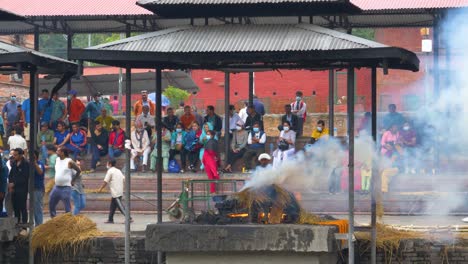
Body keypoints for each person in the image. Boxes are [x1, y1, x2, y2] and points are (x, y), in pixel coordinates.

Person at [49, 147, 81, 218]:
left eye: (58, 151)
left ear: (62, 153)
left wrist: (73, 180)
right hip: (57, 187)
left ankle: (68, 221)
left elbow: (78, 170)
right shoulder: (57, 160)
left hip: (66, 187)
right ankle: (53, 218)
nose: (56, 152)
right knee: (51, 202)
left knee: (67, 207)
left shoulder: (69, 161)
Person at [98, 160, 132, 224]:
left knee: (120, 206)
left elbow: (106, 181)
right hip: (119, 191)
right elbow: (124, 179)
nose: (107, 165)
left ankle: (129, 218)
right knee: (112, 206)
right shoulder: (118, 170)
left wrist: (100, 189)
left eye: (107, 163)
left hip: (115, 192)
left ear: (110, 164)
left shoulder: (110, 171)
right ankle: (110, 219)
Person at [8, 148, 29, 224]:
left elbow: (24, 178)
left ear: (21, 155)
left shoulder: (26, 164)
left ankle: (24, 226)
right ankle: (17, 225)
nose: (14, 156)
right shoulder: (14, 163)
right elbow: (11, 175)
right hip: (14, 190)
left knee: (22, 208)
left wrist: (15, 183)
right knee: (15, 207)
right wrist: (10, 184)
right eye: (13, 155)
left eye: (16, 155)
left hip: (22, 189)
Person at [32, 150, 45, 225]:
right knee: (34, 208)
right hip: (32, 189)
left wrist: (34, 163)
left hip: (37, 189)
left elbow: (40, 172)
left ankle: (39, 225)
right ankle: (36, 224)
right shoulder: (29, 164)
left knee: (37, 208)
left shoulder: (40, 164)